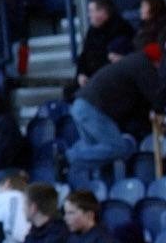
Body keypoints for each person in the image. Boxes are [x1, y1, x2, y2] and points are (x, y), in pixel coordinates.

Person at [67, 43, 160, 186]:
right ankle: (69, 158)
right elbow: (156, 96)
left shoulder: (131, 62)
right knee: (118, 148)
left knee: (103, 159)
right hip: (92, 107)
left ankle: (106, 194)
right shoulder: (142, 64)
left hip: (81, 105)